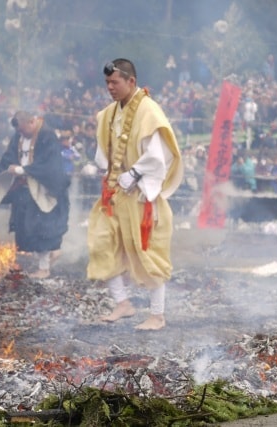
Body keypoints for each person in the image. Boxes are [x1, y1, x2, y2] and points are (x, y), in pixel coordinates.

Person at [86, 58, 183, 331]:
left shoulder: (149, 111)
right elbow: (104, 152)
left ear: (131, 81)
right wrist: (104, 166)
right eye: (107, 83)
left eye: (114, 82)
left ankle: (157, 315)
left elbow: (160, 153)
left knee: (147, 253)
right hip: (115, 194)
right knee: (101, 243)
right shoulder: (108, 113)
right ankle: (122, 303)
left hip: (141, 195)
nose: (110, 87)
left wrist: (137, 173)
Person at [0, 111, 70, 278]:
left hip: (43, 190)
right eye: (19, 130)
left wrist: (22, 170)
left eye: (23, 129)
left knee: (42, 229)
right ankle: (50, 255)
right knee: (26, 229)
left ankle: (44, 268)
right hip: (24, 191)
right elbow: (9, 157)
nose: (21, 133)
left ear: (32, 122)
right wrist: (3, 174)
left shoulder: (47, 136)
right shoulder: (18, 137)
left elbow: (50, 164)